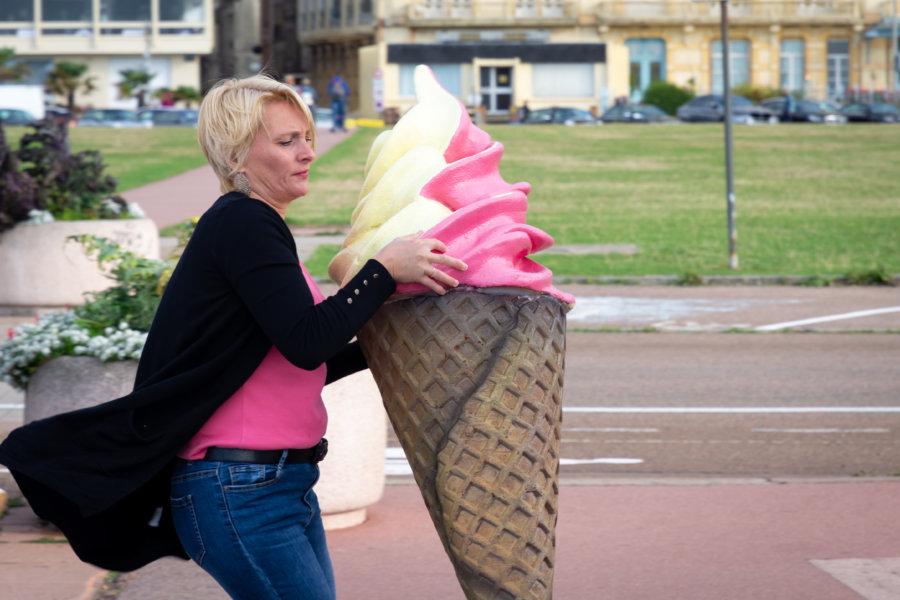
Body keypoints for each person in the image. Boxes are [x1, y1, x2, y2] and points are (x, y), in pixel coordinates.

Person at [0, 74, 466, 599]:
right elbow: (308, 341)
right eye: (287, 141)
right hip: (239, 491)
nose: (307, 153)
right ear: (237, 155)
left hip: (277, 486)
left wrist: (394, 341)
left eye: (307, 137)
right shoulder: (245, 223)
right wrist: (380, 271)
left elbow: (301, 358)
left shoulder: (250, 225)